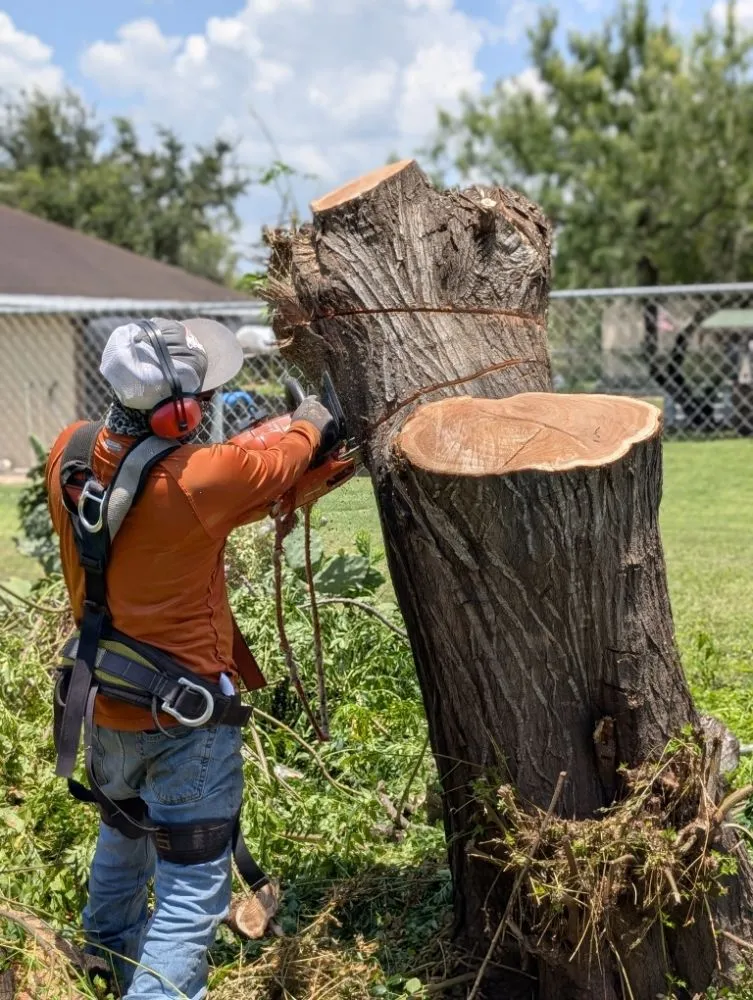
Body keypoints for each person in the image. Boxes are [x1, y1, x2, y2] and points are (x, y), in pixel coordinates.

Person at [45, 316, 338, 999]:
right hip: (185, 727)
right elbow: (289, 451)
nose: (206, 407)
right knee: (190, 895)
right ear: (178, 412)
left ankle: (107, 968)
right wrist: (318, 412)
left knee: (123, 836)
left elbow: (211, 464)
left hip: (104, 705)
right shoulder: (202, 482)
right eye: (200, 398)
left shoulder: (71, 450)